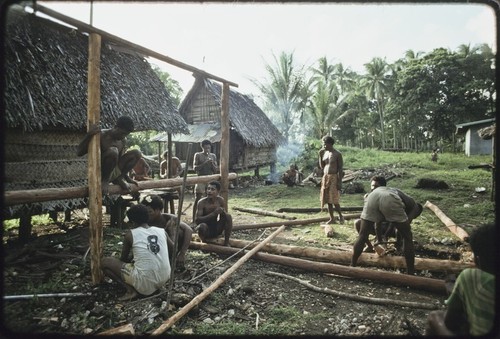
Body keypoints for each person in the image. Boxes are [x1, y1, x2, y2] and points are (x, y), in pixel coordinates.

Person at [426, 223, 496, 336]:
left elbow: (450, 321)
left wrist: (458, 290)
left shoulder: (471, 276)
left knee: (435, 316)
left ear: (477, 259)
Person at [101, 204, 171, 301]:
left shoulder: (131, 235)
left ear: (132, 221)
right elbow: (173, 249)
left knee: (105, 262)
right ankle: (151, 283)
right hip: (165, 277)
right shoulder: (161, 231)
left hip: (145, 285)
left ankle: (130, 290)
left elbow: (123, 259)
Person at [351, 179, 419, 275]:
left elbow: (378, 221)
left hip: (372, 198)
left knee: (362, 235)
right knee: (408, 237)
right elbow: (415, 208)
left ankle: (352, 265)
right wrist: (407, 223)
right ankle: (410, 272)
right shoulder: (409, 202)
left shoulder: (373, 193)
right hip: (389, 199)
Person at [353, 176, 423, 253]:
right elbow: (374, 220)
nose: (373, 189)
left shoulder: (391, 196)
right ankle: (369, 246)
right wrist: (379, 239)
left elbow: (395, 220)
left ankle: (399, 247)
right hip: (379, 225)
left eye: (376, 186)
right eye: (372, 186)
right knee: (358, 223)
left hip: (392, 227)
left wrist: (385, 236)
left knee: (400, 229)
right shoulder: (371, 197)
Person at [77, 116, 141, 195]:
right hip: (100, 172)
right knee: (113, 151)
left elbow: (119, 160)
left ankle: (119, 178)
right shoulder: (101, 135)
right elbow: (79, 153)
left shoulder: (123, 140)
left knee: (137, 153)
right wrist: (89, 135)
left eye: (126, 134)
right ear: (115, 127)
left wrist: (126, 177)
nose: (123, 136)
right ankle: (105, 181)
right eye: (122, 133)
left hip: (113, 171)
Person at [141, 195, 192, 270]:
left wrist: (182, 253)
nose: (148, 214)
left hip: (170, 248)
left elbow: (189, 230)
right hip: (152, 250)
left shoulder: (169, 219)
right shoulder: (144, 220)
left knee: (179, 231)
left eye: (150, 212)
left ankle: (172, 259)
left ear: (158, 210)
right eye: (145, 212)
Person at [195, 181, 233, 246]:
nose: (209, 191)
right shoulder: (202, 202)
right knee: (202, 226)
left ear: (218, 192)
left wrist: (223, 212)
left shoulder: (220, 200)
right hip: (205, 230)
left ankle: (226, 242)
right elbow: (197, 220)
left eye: (212, 189)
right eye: (208, 189)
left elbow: (224, 217)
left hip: (216, 228)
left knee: (228, 216)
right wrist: (214, 213)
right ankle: (204, 242)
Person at [318, 136, 344, 225]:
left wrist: (339, 181)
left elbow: (340, 168)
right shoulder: (325, 153)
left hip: (334, 178)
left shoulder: (337, 154)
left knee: (334, 199)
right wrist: (320, 155)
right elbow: (322, 166)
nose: (324, 146)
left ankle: (341, 216)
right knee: (327, 199)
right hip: (326, 177)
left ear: (329, 144)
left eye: (325, 144)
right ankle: (332, 218)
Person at [192, 140, 218, 223]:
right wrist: (204, 163)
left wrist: (212, 164)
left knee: (211, 199)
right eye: (206, 148)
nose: (207, 149)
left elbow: (216, 170)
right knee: (198, 198)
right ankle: (194, 219)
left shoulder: (213, 156)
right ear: (202, 147)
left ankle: (208, 218)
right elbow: (195, 168)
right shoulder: (198, 155)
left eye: (209, 148)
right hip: (200, 178)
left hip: (210, 179)